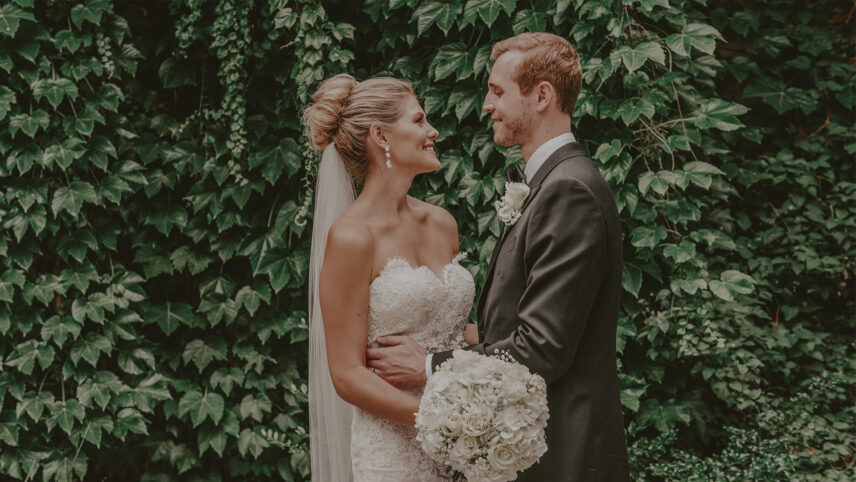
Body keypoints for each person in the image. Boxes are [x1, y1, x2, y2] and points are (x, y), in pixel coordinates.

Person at [368, 32, 631, 481]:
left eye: (497, 91)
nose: (487, 106)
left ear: (542, 95)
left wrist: (428, 365)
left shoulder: (568, 191)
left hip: (566, 455)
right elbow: (517, 322)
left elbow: (541, 348)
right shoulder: (551, 184)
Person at [304, 73, 476, 481]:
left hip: (468, 447)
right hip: (396, 452)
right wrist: (441, 418)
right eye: (418, 121)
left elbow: (448, 329)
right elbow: (347, 374)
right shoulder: (351, 237)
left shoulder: (442, 223)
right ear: (381, 135)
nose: (432, 131)